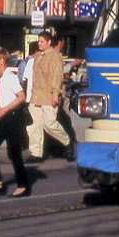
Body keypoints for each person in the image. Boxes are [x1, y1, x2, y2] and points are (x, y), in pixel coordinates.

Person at [0, 48, 30, 198]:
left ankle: (17, 185)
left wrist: (4, 109)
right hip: (5, 117)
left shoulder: (10, 77)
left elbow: (21, 97)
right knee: (8, 151)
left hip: (13, 117)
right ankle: (3, 183)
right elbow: (0, 96)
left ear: (1, 61)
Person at [26, 31, 73, 163]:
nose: (39, 44)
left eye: (42, 41)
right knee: (34, 125)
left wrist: (55, 94)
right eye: (38, 41)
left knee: (50, 124)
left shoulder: (55, 56)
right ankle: (35, 153)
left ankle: (67, 142)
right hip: (36, 96)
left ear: (49, 42)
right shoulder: (38, 57)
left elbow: (57, 77)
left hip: (48, 95)